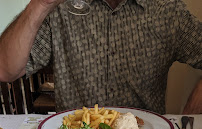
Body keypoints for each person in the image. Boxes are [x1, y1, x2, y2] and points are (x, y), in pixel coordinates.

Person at [0, 0, 201, 114]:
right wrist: (40, 5)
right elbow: (5, 69)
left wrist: (191, 115)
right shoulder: (60, 10)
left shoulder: (167, 11)